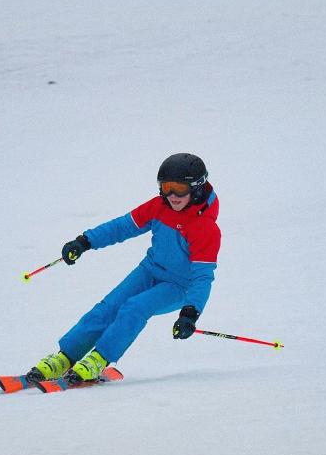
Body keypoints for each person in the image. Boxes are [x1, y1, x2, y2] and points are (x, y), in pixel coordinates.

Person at [27, 153, 221, 384]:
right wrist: (85, 241)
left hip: (180, 286)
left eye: (179, 188)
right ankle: (65, 357)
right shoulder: (159, 206)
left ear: (196, 188)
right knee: (107, 308)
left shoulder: (205, 228)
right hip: (149, 271)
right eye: (166, 187)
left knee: (135, 308)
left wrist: (190, 313)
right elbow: (123, 226)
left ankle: (99, 359)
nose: (172, 196)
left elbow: (202, 277)